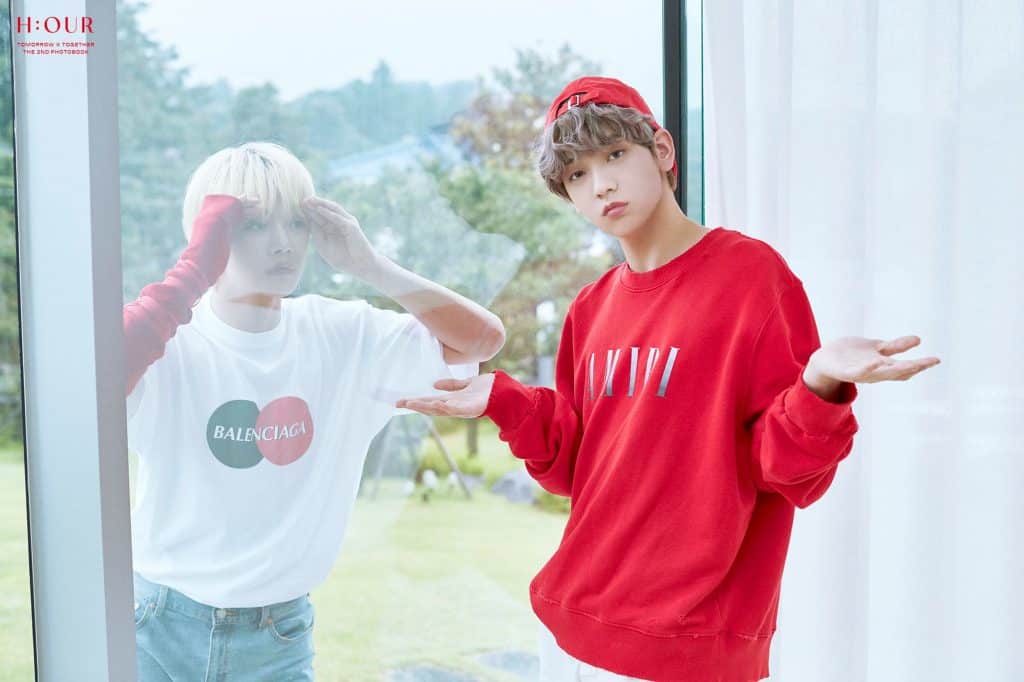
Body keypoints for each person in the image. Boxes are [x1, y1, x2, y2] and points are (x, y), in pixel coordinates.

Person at [395, 77, 941, 681]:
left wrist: (818, 384)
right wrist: (505, 400)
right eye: (576, 174)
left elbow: (786, 471)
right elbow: (576, 468)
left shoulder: (751, 277)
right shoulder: (590, 308)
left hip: (692, 644)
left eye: (614, 155)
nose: (600, 184)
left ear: (661, 150)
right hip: (574, 629)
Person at [122, 141, 505, 680]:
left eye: (297, 223)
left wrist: (369, 266)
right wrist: (194, 269)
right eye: (253, 225)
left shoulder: (343, 334)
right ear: (208, 235)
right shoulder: (166, 340)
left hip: (277, 638)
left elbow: (482, 341)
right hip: (156, 625)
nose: (283, 243)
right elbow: (94, 378)